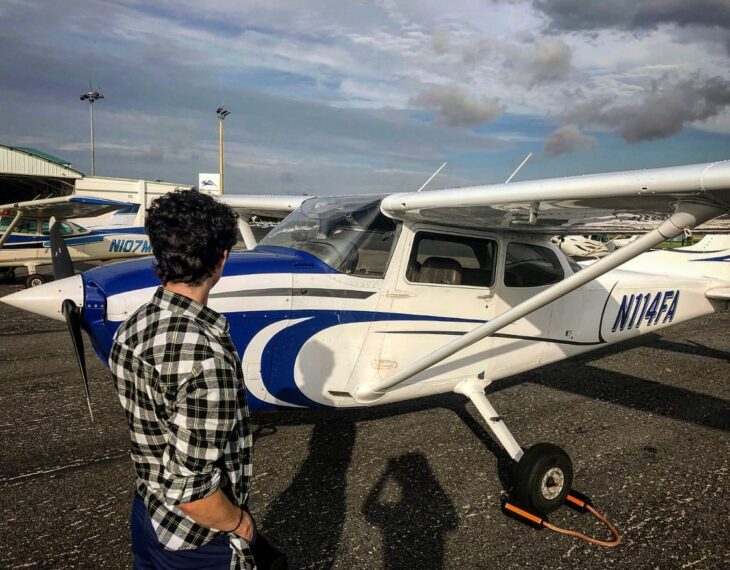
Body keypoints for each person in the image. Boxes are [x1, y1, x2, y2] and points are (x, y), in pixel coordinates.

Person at [109, 190, 286, 569]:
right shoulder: (207, 359)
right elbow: (192, 491)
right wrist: (242, 525)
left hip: (149, 514)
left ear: (160, 255)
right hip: (197, 538)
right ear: (221, 259)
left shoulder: (132, 326)